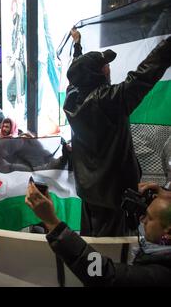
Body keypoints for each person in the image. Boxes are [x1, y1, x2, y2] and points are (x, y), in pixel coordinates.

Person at [64, 30, 171, 236]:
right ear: (96, 73)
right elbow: (144, 75)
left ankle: (90, 268)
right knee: (112, 253)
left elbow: (77, 71)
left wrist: (77, 46)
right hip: (114, 197)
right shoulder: (109, 101)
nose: (108, 68)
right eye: (104, 65)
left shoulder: (72, 100)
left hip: (89, 193)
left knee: (91, 245)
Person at [25, 180, 171, 286]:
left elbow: (103, 273)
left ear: (168, 232)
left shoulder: (161, 276)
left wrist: (53, 223)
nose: (142, 219)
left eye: (149, 217)